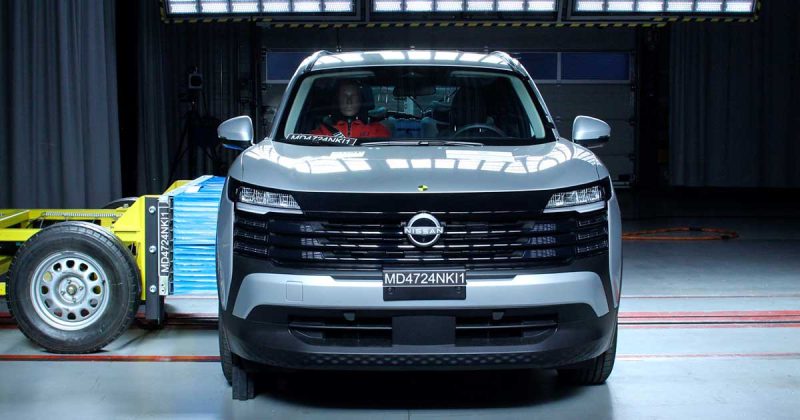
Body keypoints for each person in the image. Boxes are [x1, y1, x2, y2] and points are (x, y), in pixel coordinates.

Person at [310, 80, 390, 139]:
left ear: (361, 101)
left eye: (354, 96)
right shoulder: (321, 133)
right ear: (338, 101)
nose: (349, 101)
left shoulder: (377, 130)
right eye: (344, 96)